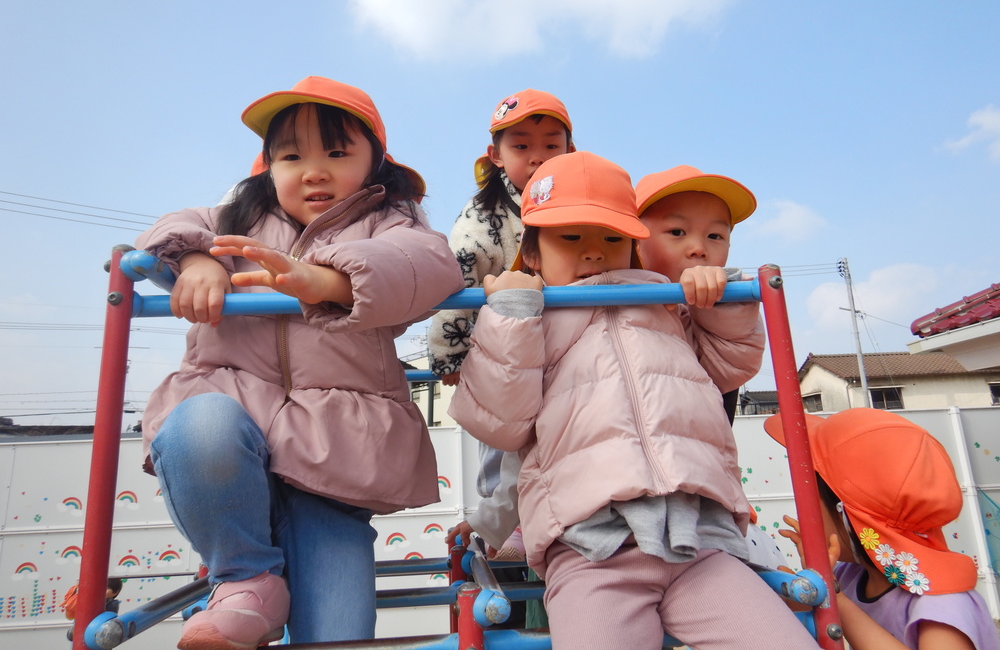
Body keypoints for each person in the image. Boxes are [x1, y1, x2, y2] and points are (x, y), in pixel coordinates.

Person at [136, 76, 464, 650]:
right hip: (236, 424)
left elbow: (427, 264)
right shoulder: (235, 219)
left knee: (339, 634)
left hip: (333, 455)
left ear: (375, 162)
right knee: (198, 425)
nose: (314, 171)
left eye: (336, 153)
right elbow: (172, 226)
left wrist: (324, 279)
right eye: (292, 157)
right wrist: (196, 261)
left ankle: (262, 594)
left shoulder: (391, 220)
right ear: (268, 167)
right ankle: (246, 579)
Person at [449, 151, 817, 649]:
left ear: (634, 246)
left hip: (699, 540)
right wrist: (509, 317)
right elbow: (502, 423)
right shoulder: (531, 320)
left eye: (612, 238)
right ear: (531, 253)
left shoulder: (664, 305)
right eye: (570, 237)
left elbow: (730, 365)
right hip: (590, 546)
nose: (594, 253)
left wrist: (715, 299)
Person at [434, 88, 573, 574]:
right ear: (495, 155)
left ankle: (542, 519)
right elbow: (458, 277)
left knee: (555, 437)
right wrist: (449, 352)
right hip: (503, 346)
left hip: (563, 342)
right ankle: (503, 523)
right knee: (503, 437)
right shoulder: (484, 214)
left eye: (551, 145)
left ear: (570, 151)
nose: (537, 157)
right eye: (521, 146)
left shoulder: (579, 201)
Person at [635, 164, 788, 572]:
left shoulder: (711, 311)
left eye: (715, 236)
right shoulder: (604, 301)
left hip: (698, 492)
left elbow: (732, 364)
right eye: (677, 232)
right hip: (621, 490)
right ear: (633, 239)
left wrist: (718, 305)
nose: (699, 248)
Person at [766, 408, 1000, 650]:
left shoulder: (944, 603)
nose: (802, 514)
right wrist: (800, 588)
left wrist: (834, 596)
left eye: (810, 502)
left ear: (847, 515)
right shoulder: (851, 575)